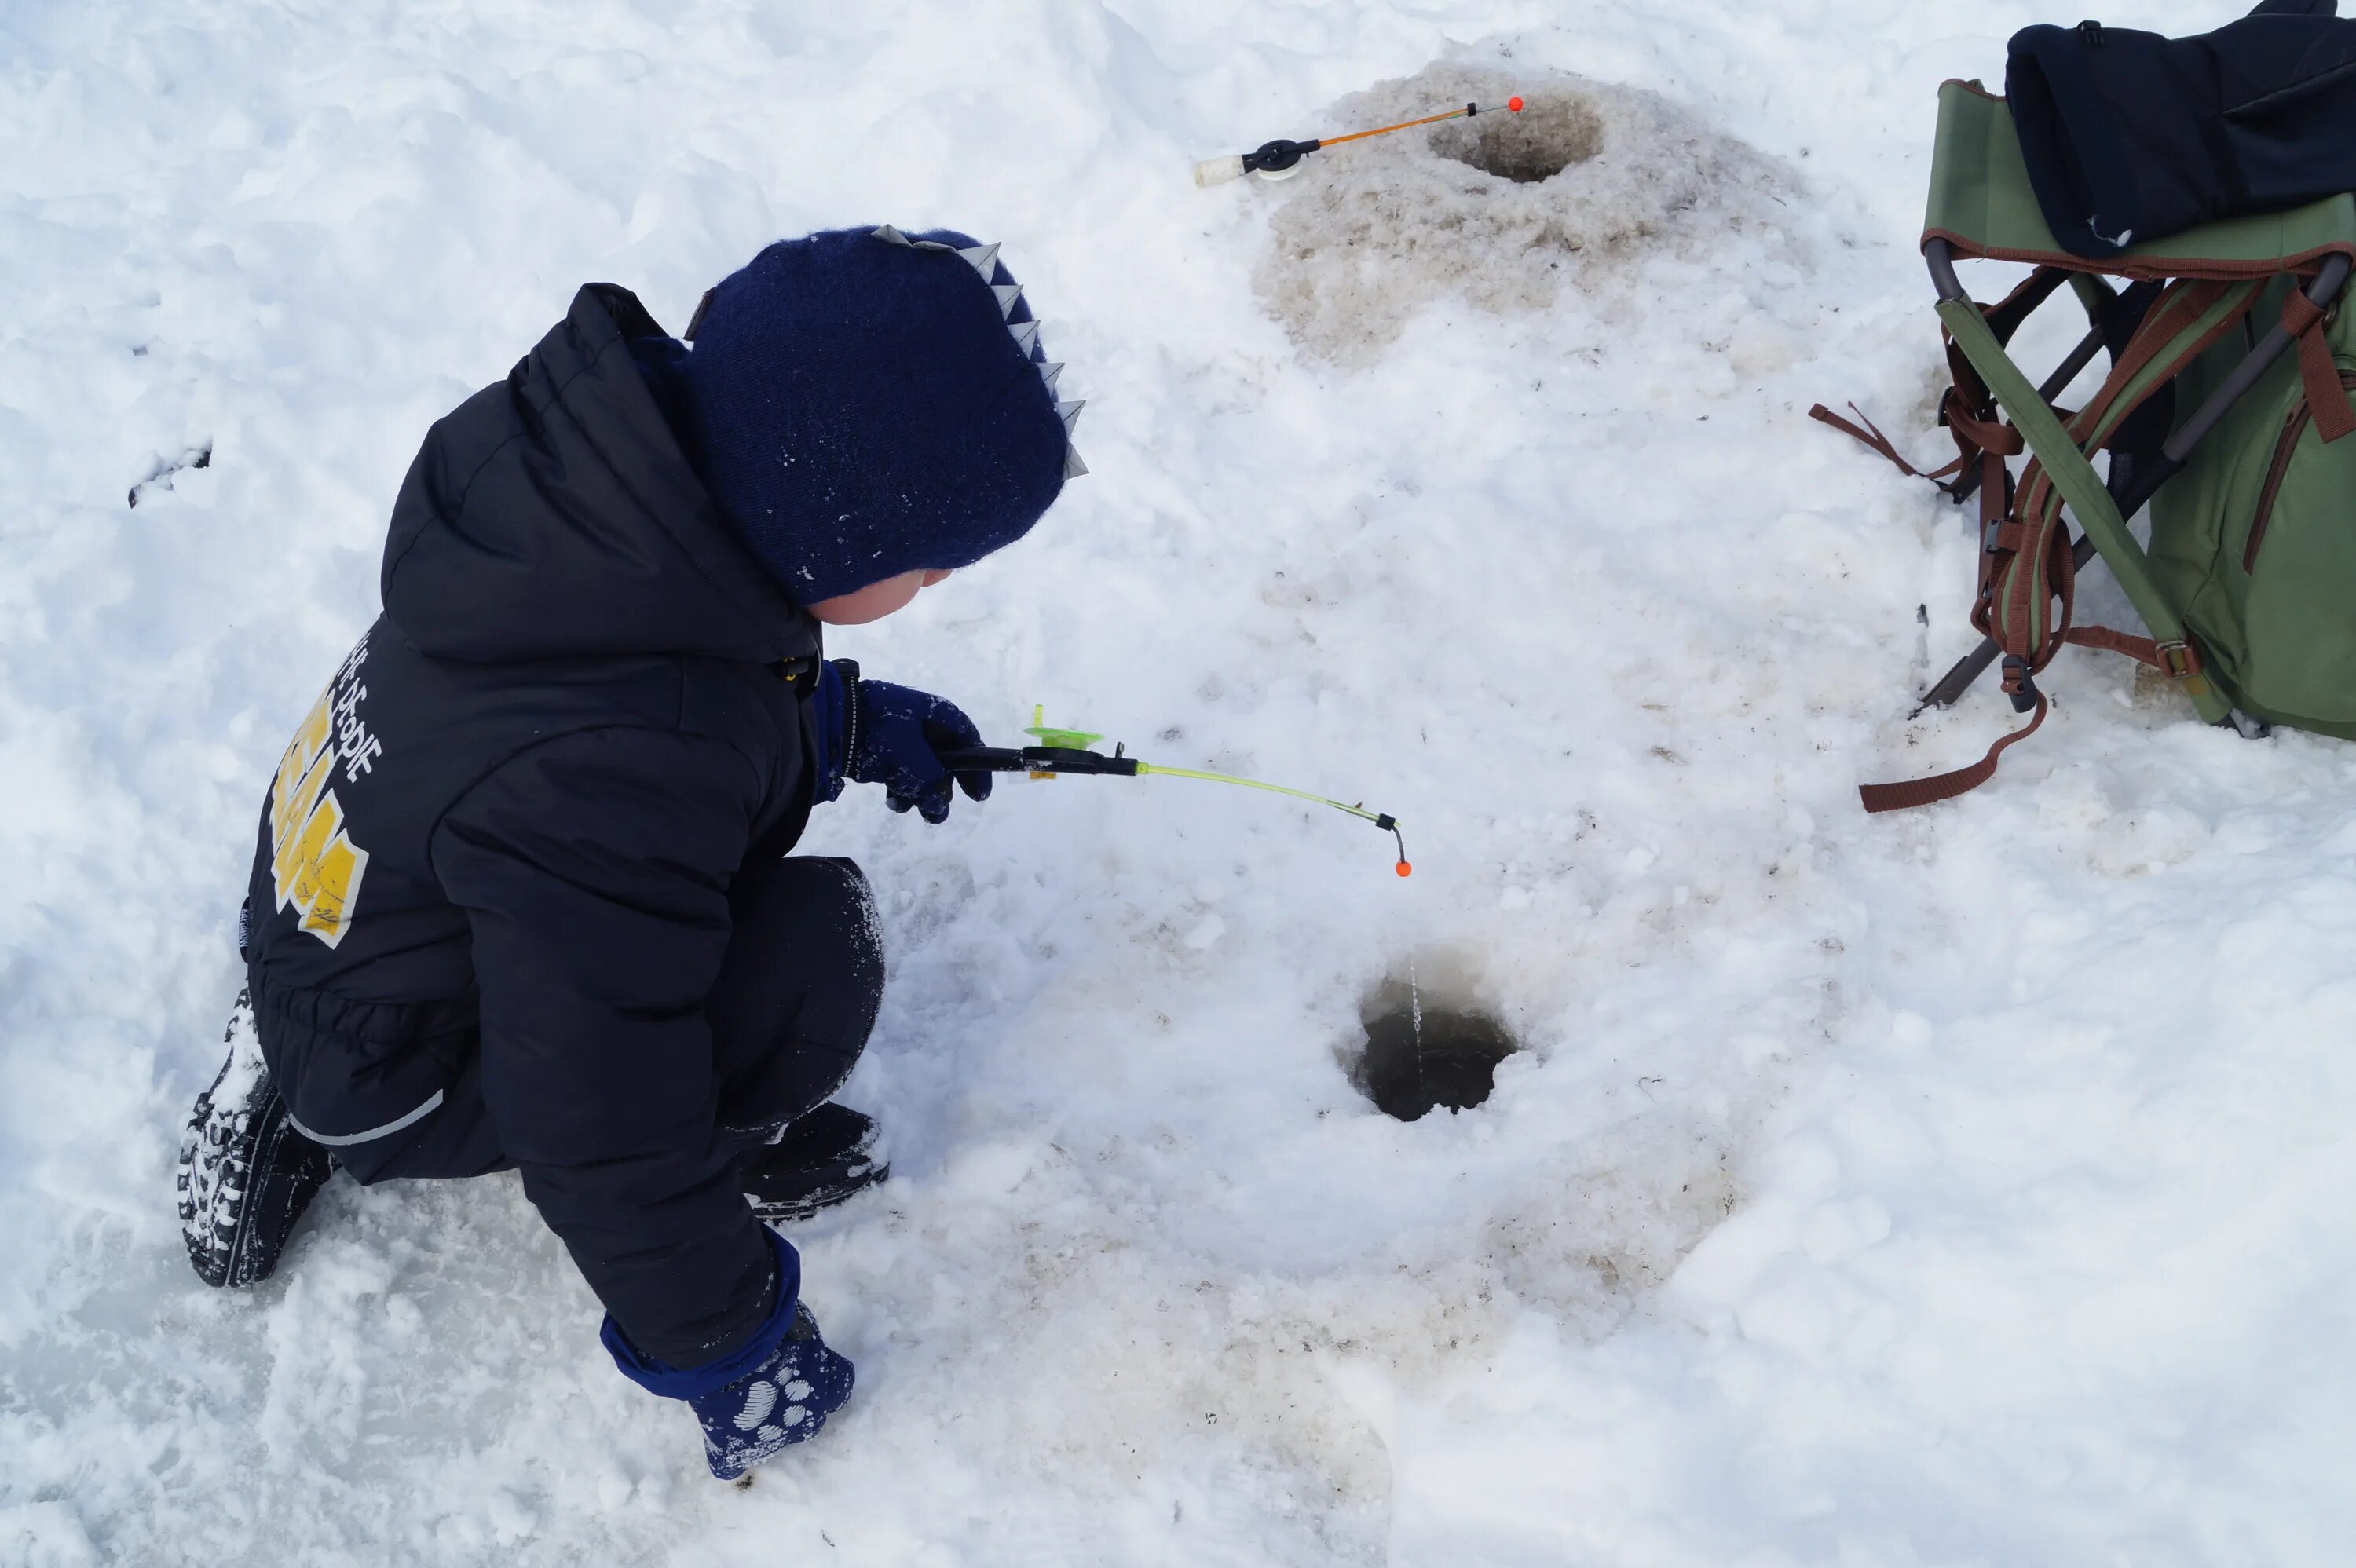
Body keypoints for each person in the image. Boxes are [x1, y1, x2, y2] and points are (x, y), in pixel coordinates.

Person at [173, 225, 1084, 1481]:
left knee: (623, 915)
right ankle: (306, 1076)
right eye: (927, 565)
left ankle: (297, 1020)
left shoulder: (589, 504)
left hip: (339, 885)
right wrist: (729, 1346)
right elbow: (599, 1109)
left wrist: (848, 721)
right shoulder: (604, 771)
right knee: (816, 954)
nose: (930, 586)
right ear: (837, 528)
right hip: (398, 1060)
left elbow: (659, 691)